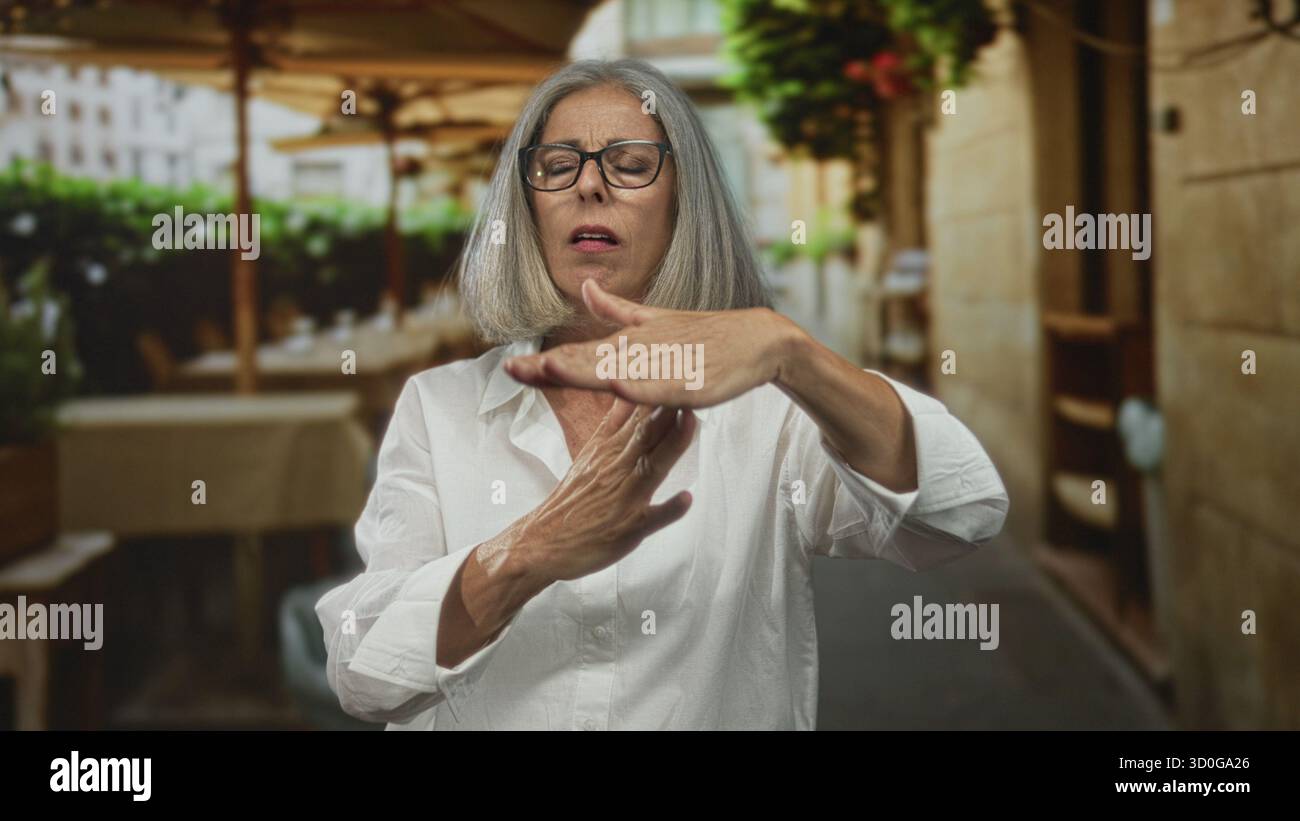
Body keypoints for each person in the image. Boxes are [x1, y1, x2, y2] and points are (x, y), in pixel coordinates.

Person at [315, 58, 1008, 730]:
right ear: (526, 207)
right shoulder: (438, 407)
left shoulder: (772, 414)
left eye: (630, 163)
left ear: (684, 200)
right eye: (558, 166)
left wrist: (791, 352)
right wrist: (527, 552)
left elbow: (961, 511)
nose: (590, 186)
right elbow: (360, 673)